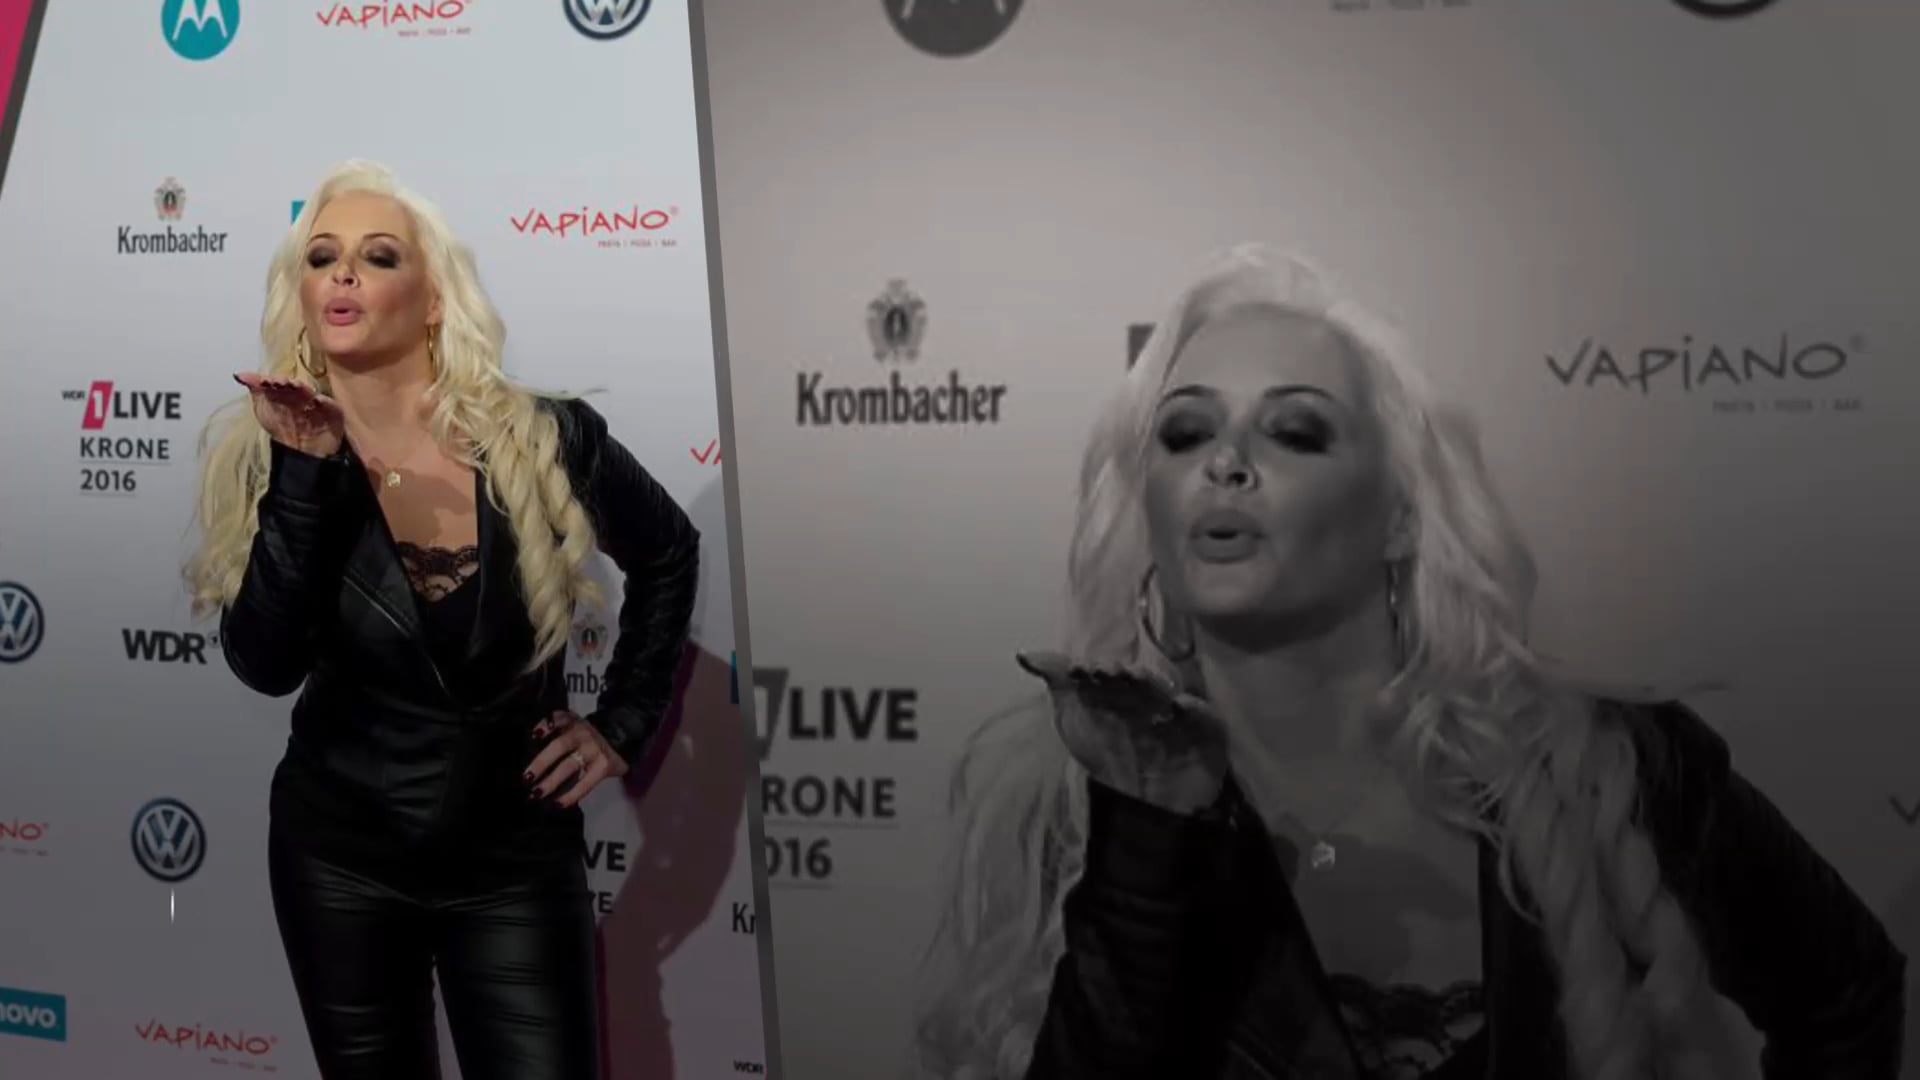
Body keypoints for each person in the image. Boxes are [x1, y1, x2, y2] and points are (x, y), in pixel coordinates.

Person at [912, 246, 1904, 1080]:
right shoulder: (1075, 810)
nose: (1225, 462)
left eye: (1294, 431)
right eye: (1185, 432)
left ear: (1397, 517)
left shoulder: (1609, 772)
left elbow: (1850, 998)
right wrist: (1147, 841)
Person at [182, 160, 700, 1080]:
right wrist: (304, 473)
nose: (343, 273)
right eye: (321, 257)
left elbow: (668, 552)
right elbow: (264, 663)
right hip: (337, 862)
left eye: (378, 256)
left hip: (514, 864)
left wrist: (624, 721)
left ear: (432, 302)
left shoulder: (544, 436)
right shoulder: (262, 447)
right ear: (301, 294)